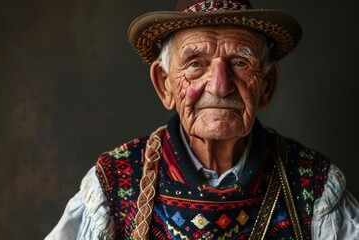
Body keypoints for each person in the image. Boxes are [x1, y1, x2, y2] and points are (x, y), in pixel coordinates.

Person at [45, 0, 359, 239]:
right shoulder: (113, 185)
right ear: (164, 84)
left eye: (240, 62)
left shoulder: (315, 188)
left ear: (267, 84)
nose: (220, 85)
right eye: (196, 63)